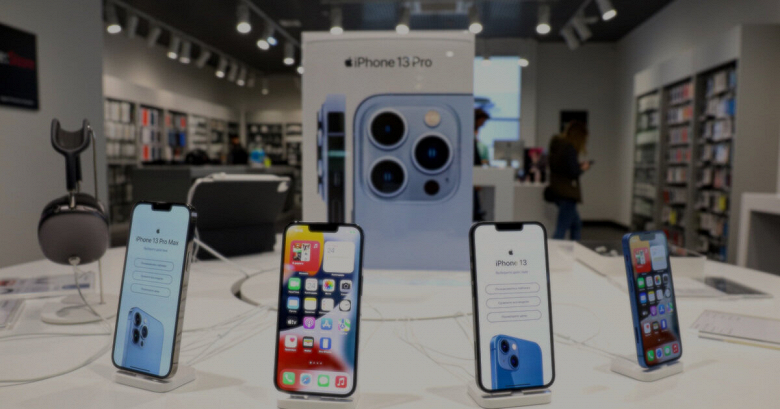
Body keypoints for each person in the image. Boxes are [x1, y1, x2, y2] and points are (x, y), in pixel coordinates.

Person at [547, 120, 591, 240]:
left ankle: (574, 248)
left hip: (557, 189)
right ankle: (553, 250)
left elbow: (560, 167)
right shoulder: (569, 148)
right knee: (561, 229)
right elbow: (573, 172)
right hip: (567, 192)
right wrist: (583, 168)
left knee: (576, 224)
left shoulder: (557, 146)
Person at [473, 109, 490, 221]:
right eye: (482, 121)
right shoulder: (469, 134)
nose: (483, 124)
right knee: (474, 207)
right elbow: (473, 157)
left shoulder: (473, 134)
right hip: (473, 174)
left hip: (475, 173)